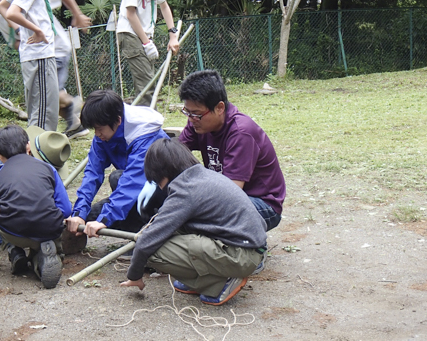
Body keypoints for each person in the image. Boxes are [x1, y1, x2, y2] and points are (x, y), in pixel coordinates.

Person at [120, 138, 267, 306]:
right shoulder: (203, 175)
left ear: (163, 174)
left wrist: (134, 276)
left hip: (241, 255)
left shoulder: (186, 191)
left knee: (154, 250)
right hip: (250, 247)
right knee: (172, 232)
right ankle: (202, 279)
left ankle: (218, 283)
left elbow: (147, 241)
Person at [178, 70, 286, 235]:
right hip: (229, 195)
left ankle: (252, 250)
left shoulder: (241, 133)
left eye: (197, 114)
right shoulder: (197, 122)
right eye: (187, 112)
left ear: (220, 107)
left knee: (194, 217)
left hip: (262, 204)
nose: (191, 119)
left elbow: (230, 193)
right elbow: (174, 153)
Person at [0, 125, 72, 289]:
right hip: (49, 229)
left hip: (14, 232)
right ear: (28, 146)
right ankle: (41, 259)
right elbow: (66, 209)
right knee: (48, 204)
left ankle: (14, 250)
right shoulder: (49, 168)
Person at [65, 89, 168, 237]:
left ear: (118, 121)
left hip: (164, 193)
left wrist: (105, 218)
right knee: (89, 216)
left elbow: (132, 182)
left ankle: (142, 233)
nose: (97, 134)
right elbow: (93, 172)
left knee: (117, 179)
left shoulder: (145, 134)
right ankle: (129, 224)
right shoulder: (106, 130)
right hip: (137, 191)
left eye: (99, 129)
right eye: (94, 129)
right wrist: (79, 212)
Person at [0, 0, 91, 139]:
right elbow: (15, 43)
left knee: (51, 94)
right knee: (49, 98)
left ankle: (74, 105)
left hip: (56, 49)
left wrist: (78, 15)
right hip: (35, 57)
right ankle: (75, 124)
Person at [116, 0, 181, 107]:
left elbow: (164, 6)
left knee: (148, 83)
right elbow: (130, 14)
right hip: (131, 34)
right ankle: (147, 127)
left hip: (145, 36)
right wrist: (146, 42)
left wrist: (173, 35)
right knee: (147, 86)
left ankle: (142, 123)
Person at [6, 0, 60, 131]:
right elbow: (12, 12)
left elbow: (3, 6)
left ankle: (34, 156)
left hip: (36, 56)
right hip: (40, 57)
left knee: (39, 111)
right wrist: (36, 30)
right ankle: (37, 157)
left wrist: (20, 30)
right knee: (44, 115)